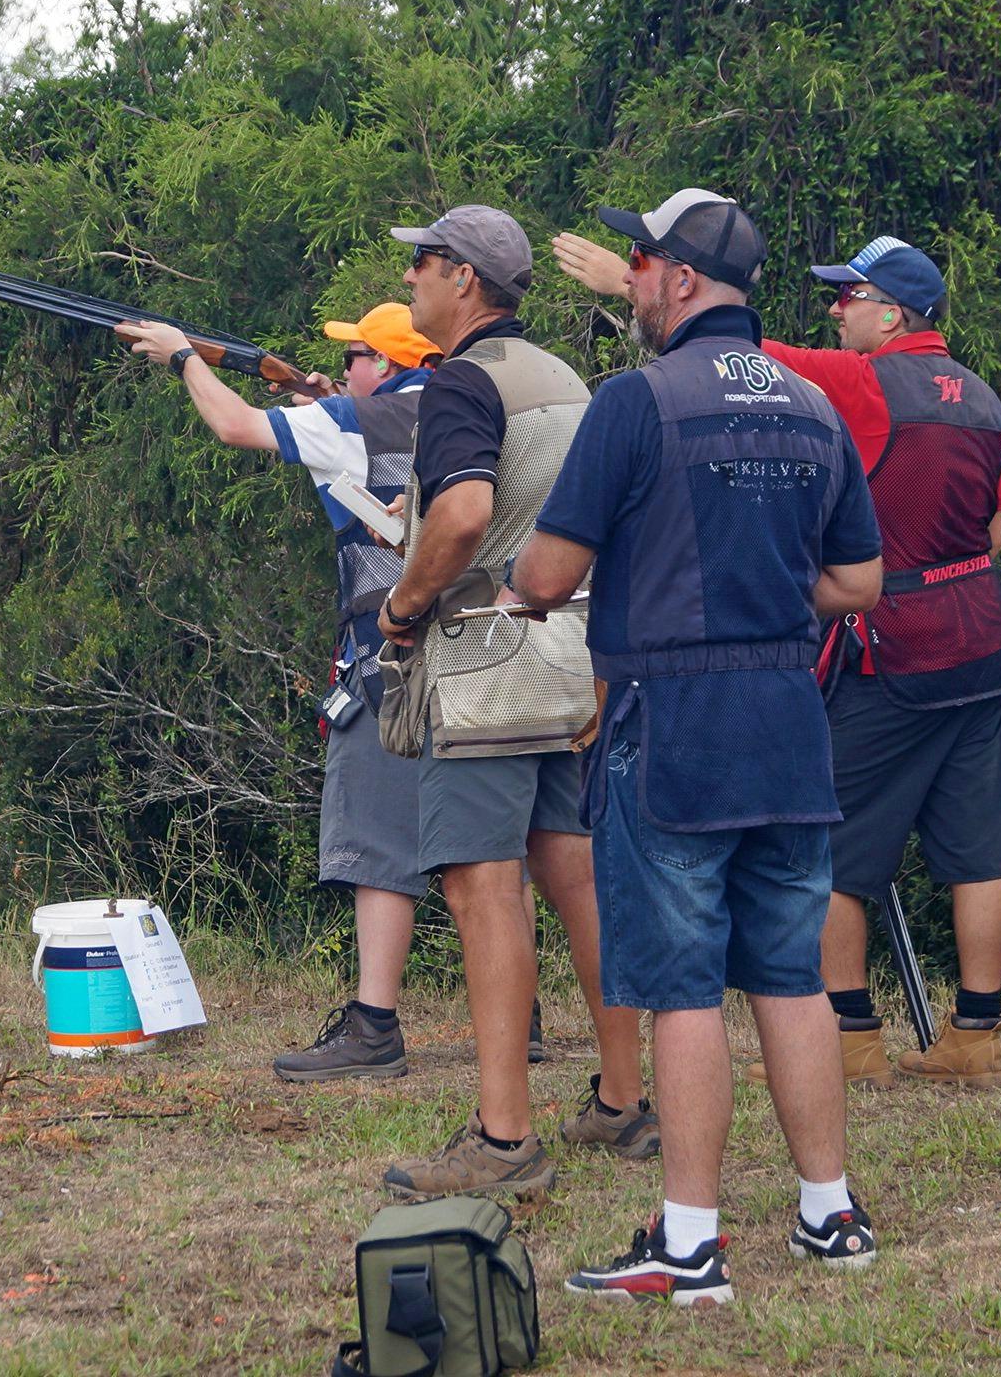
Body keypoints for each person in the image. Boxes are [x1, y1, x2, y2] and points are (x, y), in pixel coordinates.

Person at [515, 187, 884, 1304]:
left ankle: (689, 1244)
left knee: (681, 986)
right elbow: (861, 579)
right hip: (786, 724)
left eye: (637, 261)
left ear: (679, 278)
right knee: (790, 971)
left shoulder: (637, 401)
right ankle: (830, 1215)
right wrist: (767, 597)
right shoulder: (814, 405)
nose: (628, 278)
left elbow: (544, 575)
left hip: (671, 724)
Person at [373, 204, 653, 1202]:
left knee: (480, 886)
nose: (409, 279)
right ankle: (623, 1099)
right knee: (575, 874)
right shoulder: (564, 382)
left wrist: (406, 604)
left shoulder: (460, 381)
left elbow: (462, 512)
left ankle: (502, 1139)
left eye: (421, 263)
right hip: (576, 656)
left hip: (488, 663)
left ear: (461, 278)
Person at [114, 300, 446, 1082]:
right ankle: (521, 1014)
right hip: (478, 659)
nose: (348, 365)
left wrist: (181, 356)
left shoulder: (353, 420)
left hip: (388, 658)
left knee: (374, 842)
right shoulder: (466, 414)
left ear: (389, 366)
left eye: (359, 354)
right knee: (483, 839)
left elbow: (233, 426)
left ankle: (374, 1025)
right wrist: (324, 411)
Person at [738, 235, 1001, 1088]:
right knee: (979, 850)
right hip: (983, 643)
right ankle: (975, 1038)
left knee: (828, 845)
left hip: (896, 647)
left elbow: (751, 354)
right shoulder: (983, 399)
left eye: (850, 296)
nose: (837, 311)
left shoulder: (868, 381)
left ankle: (847, 1035)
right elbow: (992, 534)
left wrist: (640, 283)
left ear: (892, 312)